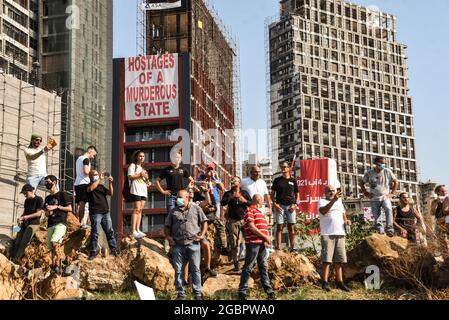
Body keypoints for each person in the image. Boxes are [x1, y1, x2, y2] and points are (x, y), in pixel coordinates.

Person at [165, 190, 208, 300]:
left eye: (180, 197)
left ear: (187, 197)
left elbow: (204, 222)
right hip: (178, 244)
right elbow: (167, 227)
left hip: (193, 243)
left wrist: (202, 235)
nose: (178, 199)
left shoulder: (196, 208)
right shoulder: (173, 211)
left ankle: (197, 293)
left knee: (195, 269)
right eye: (177, 197)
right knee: (178, 269)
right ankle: (180, 293)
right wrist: (169, 238)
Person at [238, 194, 275, 300]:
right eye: (261, 201)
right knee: (248, 267)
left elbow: (261, 227)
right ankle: (242, 292)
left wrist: (266, 238)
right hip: (253, 243)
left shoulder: (260, 213)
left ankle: (269, 291)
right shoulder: (250, 210)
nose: (262, 203)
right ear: (258, 201)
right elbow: (251, 227)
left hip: (261, 244)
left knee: (263, 267)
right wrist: (265, 236)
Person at [318, 186, 351, 292]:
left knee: (339, 260)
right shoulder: (321, 201)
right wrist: (333, 201)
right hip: (328, 233)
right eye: (329, 191)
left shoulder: (339, 202)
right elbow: (323, 211)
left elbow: (343, 215)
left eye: (333, 191)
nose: (331, 192)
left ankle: (340, 282)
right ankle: (324, 282)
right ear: (325, 192)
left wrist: (347, 221)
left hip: (340, 233)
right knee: (327, 260)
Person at [359, 156, 398, 236]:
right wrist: (365, 192)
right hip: (374, 197)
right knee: (376, 214)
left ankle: (389, 228)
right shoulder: (369, 173)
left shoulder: (387, 171)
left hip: (385, 196)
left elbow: (396, 181)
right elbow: (361, 183)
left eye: (384, 163)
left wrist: (392, 192)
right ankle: (380, 229)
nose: (383, 165)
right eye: (381, 163)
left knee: (388, 208)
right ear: (376, 163)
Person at [86, 170, 118, 260]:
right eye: (95, 175)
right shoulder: (87, 186)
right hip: (95, 213)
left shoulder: (100, 186)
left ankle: (114, 249)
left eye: (97, 174)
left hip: (105, 212)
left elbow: (111, 193)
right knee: (95, 233)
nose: (96, 176)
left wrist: (110, 183)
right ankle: (93, 251)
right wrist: (100, 178)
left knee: (109, 231)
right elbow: (91, 188)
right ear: (90, 176)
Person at [221, 176, 251, 271]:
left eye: (236, 181)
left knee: (248, 240)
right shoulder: (228, 193)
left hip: (244, 220)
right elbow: (222, 203)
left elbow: (252, 203)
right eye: (232, 181)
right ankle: (235, 262)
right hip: (233, 221)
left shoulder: (244, 192)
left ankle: (248, 261)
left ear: (239, 183)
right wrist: (232, 197)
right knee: (234, 242)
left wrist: (244, 200)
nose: (233, 182)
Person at [44, 175, 72, 274]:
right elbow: (46, 213)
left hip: (60, 223)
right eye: (45, 182)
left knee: (54, 242)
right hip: (51, 223)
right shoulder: (47, 198)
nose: (46, 184)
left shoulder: (62, 194)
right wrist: (48, 212)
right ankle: (55, 266)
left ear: (54, 182)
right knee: (51, 248)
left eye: (48, 182)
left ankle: (63, 264)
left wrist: (57, 207)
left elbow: (69, 208)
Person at [198, 164, 227, 257]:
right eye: (208, 170)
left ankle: (220, 245)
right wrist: (206, 181)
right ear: (205, 170)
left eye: (211, 170)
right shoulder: (202, 177)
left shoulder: (215, 179)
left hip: (216, 202)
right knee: (204, 221)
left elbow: (222, 188)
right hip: (204, 202)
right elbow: (200, 186)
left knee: (217, 221)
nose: (210, 172)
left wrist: (216, 178)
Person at [10, 184, 44, 263]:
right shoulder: (26, 201)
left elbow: (39, 213)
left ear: (31, 191)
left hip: (33, 223)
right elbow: (25, 212)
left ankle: (17, 259)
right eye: (24, 194)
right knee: (17, 240)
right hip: (25, 223)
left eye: (26, 193)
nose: (25, 195)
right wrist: (20, 218)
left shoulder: (39, 199)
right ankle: (11, 257)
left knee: (24, 241)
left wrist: (26, 217)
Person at [271, 162, 299, 252]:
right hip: (280, 206)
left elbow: (297, 194)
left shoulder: (293, 180)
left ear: (289, 168)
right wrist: (275, 204)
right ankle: (278, 247)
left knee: (291, 227)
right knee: (279, 226)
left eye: (285, 167)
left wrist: (295, 205)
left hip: (291, 206)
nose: (283, 168)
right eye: (281, 166)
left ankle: (293, 247)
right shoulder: (277, 180)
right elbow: (272, 194)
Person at [127, 150, 151, 239]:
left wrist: (148, 180)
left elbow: (146, 180)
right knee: (136, 209)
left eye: (143, 156)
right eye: (140, 156)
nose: (142, 158)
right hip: (136, 189)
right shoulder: (133, 166)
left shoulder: (143, 169)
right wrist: (140, 174)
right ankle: (133, 230)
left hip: (143, 189)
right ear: (137, 157)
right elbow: (130, 177)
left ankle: (137, 229)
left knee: (140, 210)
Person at [74, 146, 97, 229]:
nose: (93, 157)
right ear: (90, 150)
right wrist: (94, 173)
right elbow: (86, 171)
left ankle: (79, 222)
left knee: (79, 205)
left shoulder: (78, 159)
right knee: (84, 204)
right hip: (84, 183)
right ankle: (82, 223)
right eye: (93, 154)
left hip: (77, 183)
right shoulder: (86, 159)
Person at [430, 185, 449, 257]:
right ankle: (446, 258)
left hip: (447, 221)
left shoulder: (448, 199)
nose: (445, 192)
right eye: (442, 191)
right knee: (442, 241)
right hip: (439, 223)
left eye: (445, 191)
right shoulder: (434, 201)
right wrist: (437, 203)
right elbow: (432, 213)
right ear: (438, 193)